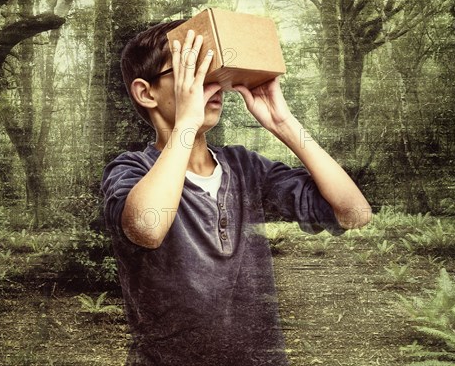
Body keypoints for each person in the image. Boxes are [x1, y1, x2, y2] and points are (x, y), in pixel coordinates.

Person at [101, 19, 372, 366]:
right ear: (146, 92)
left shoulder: (245, 167)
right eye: (192, 71)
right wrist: (185, 123)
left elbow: (354, 213)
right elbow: (148, 228)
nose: (212, 83)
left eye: (214, 70)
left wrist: (285, 125)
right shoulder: (130, 170)